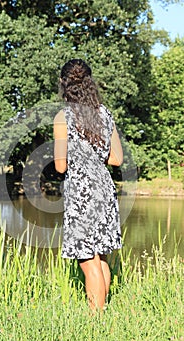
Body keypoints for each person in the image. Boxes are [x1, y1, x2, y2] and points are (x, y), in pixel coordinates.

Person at [53, 59, 123, 313]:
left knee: (87, 260)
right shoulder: (104, 114)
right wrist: (95, 154)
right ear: (90, 83)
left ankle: (96, 320)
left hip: (82, 191)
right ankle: (104, 314)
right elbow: (116, 159)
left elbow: (61, 166)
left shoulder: (63, 117)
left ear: (63, 84)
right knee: (101, 256)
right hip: (104, 188)